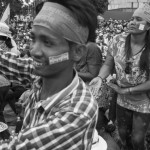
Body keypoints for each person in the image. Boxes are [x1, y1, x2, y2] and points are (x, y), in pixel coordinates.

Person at [0, 0, 99, 149]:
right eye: (33, 38)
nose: (33, 51)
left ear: (78, 52)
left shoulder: (78, 112)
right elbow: (11, 62)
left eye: (48, 43)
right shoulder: (45, 73)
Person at [90, 3, 150, 150]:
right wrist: (100, 78)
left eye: (138, 20)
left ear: (148, 26)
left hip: (143, 100)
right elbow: (108, 64)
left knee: (137, 140)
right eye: (132, 18)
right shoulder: (118, 40)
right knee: (123, 136)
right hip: (121, 99)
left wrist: (127, 91)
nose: (132, 22)